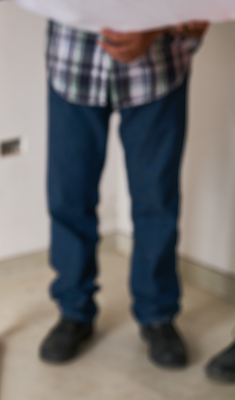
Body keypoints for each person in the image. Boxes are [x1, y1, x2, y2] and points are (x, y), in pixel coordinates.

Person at [39, 20, 207, 368]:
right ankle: (73, 310)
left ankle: (157, 314)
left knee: (157, 201)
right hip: (73, 63)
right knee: (69, 197)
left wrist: (156, 28)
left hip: (158, 68)